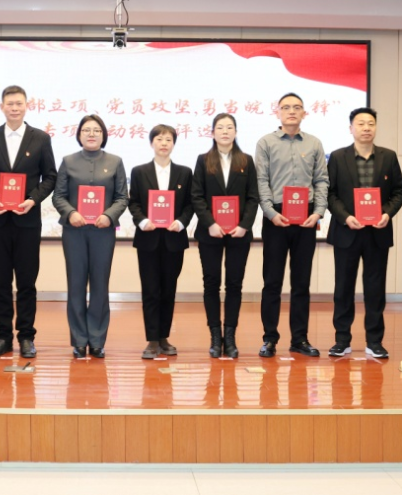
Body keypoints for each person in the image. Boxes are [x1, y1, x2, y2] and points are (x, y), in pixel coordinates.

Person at [0, 85, 57, 359]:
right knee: (0, 282)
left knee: (26, 282)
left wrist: (33, 199)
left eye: (19, 103)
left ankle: (27, 336)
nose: (14, 108)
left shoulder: (40, 138)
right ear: (2, 107)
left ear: (26, 106)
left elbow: (50, 177)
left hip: (27, 221)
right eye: (10, 104)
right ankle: (2, 336)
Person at [326, 107, 402, 359]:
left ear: (376, 127)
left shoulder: (388, 157)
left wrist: (387, 214)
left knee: (375, 289)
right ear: (351, 128)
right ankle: (342, 340)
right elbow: (330, 193)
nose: (366, 128)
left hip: (377, 233)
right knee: (343, 288)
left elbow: (399, 191)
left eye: (370, 123)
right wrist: (345, 217)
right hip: (347, 231)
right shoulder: (337, 157)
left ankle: (374, 341)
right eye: (360, 123)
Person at [255, 93, 329, 358]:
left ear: (304, 113)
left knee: (301, 283)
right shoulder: (266, 142)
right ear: (277, 112)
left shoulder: (314, 143)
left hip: (306, 218)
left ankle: (300, 339)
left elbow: (321, 180)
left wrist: (318, 212)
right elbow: (261, 180)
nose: (291, 111)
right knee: (272, 282)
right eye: (286, 107)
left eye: (297, 107)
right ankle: (269, 339)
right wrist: (270, 212)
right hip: (276, 217)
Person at [53, 114, 129, 358]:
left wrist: (109, 215)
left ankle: (96, 340)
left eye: (97, 130)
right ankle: (78, 340)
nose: (92, 134)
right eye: (86, 130)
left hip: (102, 232)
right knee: (75, 285)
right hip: (74, 232)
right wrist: (70, 213)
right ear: (79, 134)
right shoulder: (68, 161)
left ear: (103, 134)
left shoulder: (115, 162)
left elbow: (122, 197)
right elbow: (58, 196)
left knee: (99, 285)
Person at [192, 113, 260, 359]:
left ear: (236, 132)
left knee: (234, 284)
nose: (224, 131)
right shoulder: (203, 160)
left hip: (238, 234)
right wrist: (209, 223)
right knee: (211, 283)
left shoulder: (246, 160)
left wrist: (244, 225)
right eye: (220, 127)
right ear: (212, 133)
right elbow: (196, 195)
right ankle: (215, 336)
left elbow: (253, 197)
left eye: (229, 127)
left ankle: (230, 337)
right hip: (210, 233)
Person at [128, 125, 194, 359]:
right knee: (150, 290)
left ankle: (164, 337)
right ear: (151, 143)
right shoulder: (139, 171)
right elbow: (133, 203)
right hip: (148, 239)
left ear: (174, 144)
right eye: (159, 139)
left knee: (168, 290)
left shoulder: (184, 173)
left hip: (174, 240)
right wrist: (143, 221)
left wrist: (182, 222)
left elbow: (190, 204)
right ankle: (152, 340)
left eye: (168, 139)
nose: (164, 143)